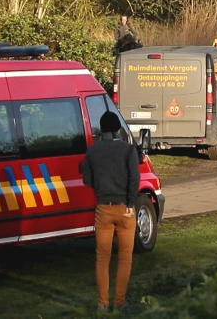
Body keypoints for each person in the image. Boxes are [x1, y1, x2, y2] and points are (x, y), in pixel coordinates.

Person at [81, 111, 140, 313]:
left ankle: (102, 303)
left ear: (102, 129)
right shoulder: (128, 150)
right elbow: (134, 179)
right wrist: (131, 202)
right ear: (117, 129)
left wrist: (101, 187)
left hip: (103, 208)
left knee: (102, 258)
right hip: (125, 208)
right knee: (124, 258)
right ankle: (120, 302)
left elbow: (86, 179)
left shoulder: (92, 151)